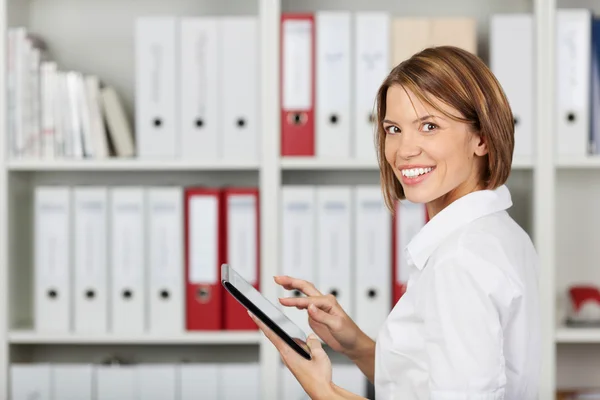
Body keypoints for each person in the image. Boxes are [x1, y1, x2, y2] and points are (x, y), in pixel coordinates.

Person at [248, 45, 541, 400]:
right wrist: (354, 343)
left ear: (482, 137)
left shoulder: (461, 261)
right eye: (393, 129)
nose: (403, 150)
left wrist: (324, 391)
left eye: (429, 126)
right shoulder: (499, 233)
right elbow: (426, 383)